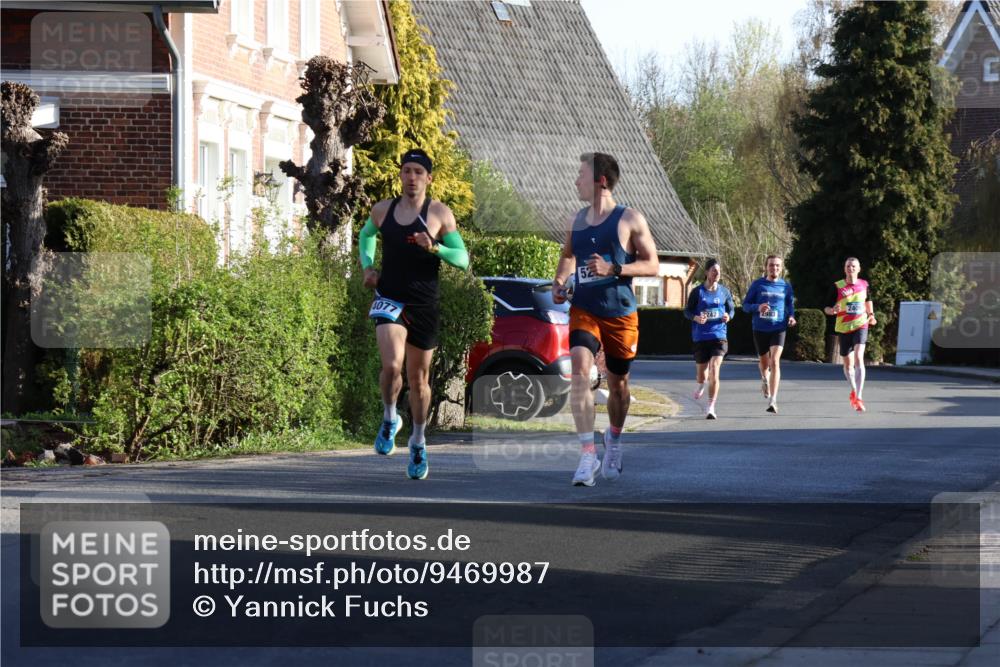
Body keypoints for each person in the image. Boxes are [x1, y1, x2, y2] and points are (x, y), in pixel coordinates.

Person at [358, 149, 469, 480]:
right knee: (392, 366)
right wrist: (367, 266)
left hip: (424, 304)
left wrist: (434, 247)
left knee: (419, 380)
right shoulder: (383, 210)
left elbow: (462, 259)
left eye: (418, 171)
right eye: (406, 170)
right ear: (401, 175)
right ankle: (391, 417)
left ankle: (418, 440)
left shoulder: (439, 214)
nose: (411, 177)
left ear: (428, 178)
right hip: (390, 298)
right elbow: (366, 235)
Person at [551, 153, 659, 486]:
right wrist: (559, 282)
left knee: (619, 386)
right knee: (580, 373)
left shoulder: (630, 219)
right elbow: (567, 256)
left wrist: (614, 269)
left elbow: (652, 264)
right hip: (584, 309)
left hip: (620, 315)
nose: (576, 181)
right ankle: (587, 454)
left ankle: (613, 437)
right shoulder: (576, 220)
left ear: (600, 180)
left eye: (581, 175)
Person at [742, 255, 796, 413]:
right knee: (764, 364)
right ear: (766, 267)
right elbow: (745, 305)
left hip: (779, 327)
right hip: (760, 328)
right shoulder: (758, 284)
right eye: (772, 265)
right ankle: (764, 379)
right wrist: (757, 307)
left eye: (778, 266)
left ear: (781, 268)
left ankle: (773, 400)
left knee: (775, 361)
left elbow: (789, 305)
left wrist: (791, 317)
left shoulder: (785, 286)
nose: (775, 268)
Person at [684, 258, 735, 419]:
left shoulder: (724, 291)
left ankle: (711, 406)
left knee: (714, 369)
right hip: (701, 337)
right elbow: (687, 311)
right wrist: (696, 318)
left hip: (719, 336)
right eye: (714, 270)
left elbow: (732, 310)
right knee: (702, 375)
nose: (717, 273)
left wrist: (728, 316)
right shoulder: (697, 292)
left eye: (719, 271)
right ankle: (700, 384)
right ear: (707, 272)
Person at [824, 257, 876, 413]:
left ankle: (859, 396)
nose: (851, 268)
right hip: (844, 327)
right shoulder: (837, 286)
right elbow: (826, 307)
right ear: (844, 269)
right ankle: (853, 390)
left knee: (859, 357)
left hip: (861, 324)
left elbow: (868, 301)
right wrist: (831, 311)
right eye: (848, 266)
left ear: (859, 269)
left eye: (853, 266)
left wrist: (871, 314)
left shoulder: (864, 284)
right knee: (847, 364)